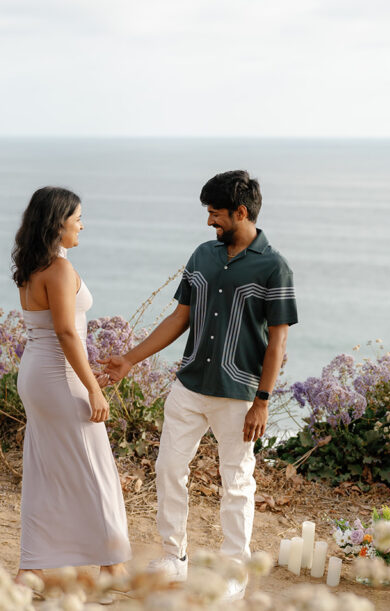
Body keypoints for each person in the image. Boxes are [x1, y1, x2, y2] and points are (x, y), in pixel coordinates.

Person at [101, 170, 297, 602]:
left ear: (240, 212)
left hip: (239, 394)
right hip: (189, 387)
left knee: (237, 482)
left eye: (216, 214)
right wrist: (130, 359)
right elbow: (179, 317)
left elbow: (278, 340)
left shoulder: (274, 266)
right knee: (169, 470)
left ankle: (233, 571)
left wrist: (262, 402)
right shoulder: (202, 256)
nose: (210, 222)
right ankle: (175, 557)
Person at [12, 186, 131, 590]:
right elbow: (65, 331)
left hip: (37, 375)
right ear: (57, 222)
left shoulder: (32, 267)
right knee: (95, 470)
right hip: (57, 376)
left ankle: (31, 570)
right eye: (77, 217)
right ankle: (113, 568)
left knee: (45, 471)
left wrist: (82, 379)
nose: (82, 224)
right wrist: (92, 389)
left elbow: (54, 331)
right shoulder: (60, 270)